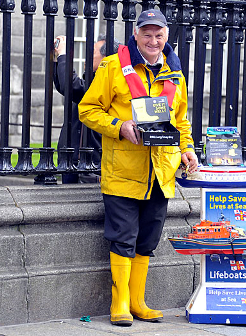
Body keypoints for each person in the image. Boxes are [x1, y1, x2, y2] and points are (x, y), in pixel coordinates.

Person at [78, 9, 198, 326]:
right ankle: (119, 303)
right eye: (147, 34)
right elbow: (87, 110)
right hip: (123, 171)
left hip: (161, 172)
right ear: (136, 34)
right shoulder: (112, 66)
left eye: (158, 35)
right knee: (123, 237)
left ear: (166, 37)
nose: (153, 40)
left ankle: (137, 301)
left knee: (147, 239)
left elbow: (180, 121)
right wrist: (119, 126)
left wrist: (187, 149)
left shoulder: (175, 73)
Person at [53, 34, 120, 183]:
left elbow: (71, 86)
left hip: (89, 163)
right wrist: (56, 57)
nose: (87, 56)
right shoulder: (92, 82)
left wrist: (65, 55)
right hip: (73, 158)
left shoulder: (106, 86)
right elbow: (63, 86)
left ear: (106, 59)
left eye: (93, 52)